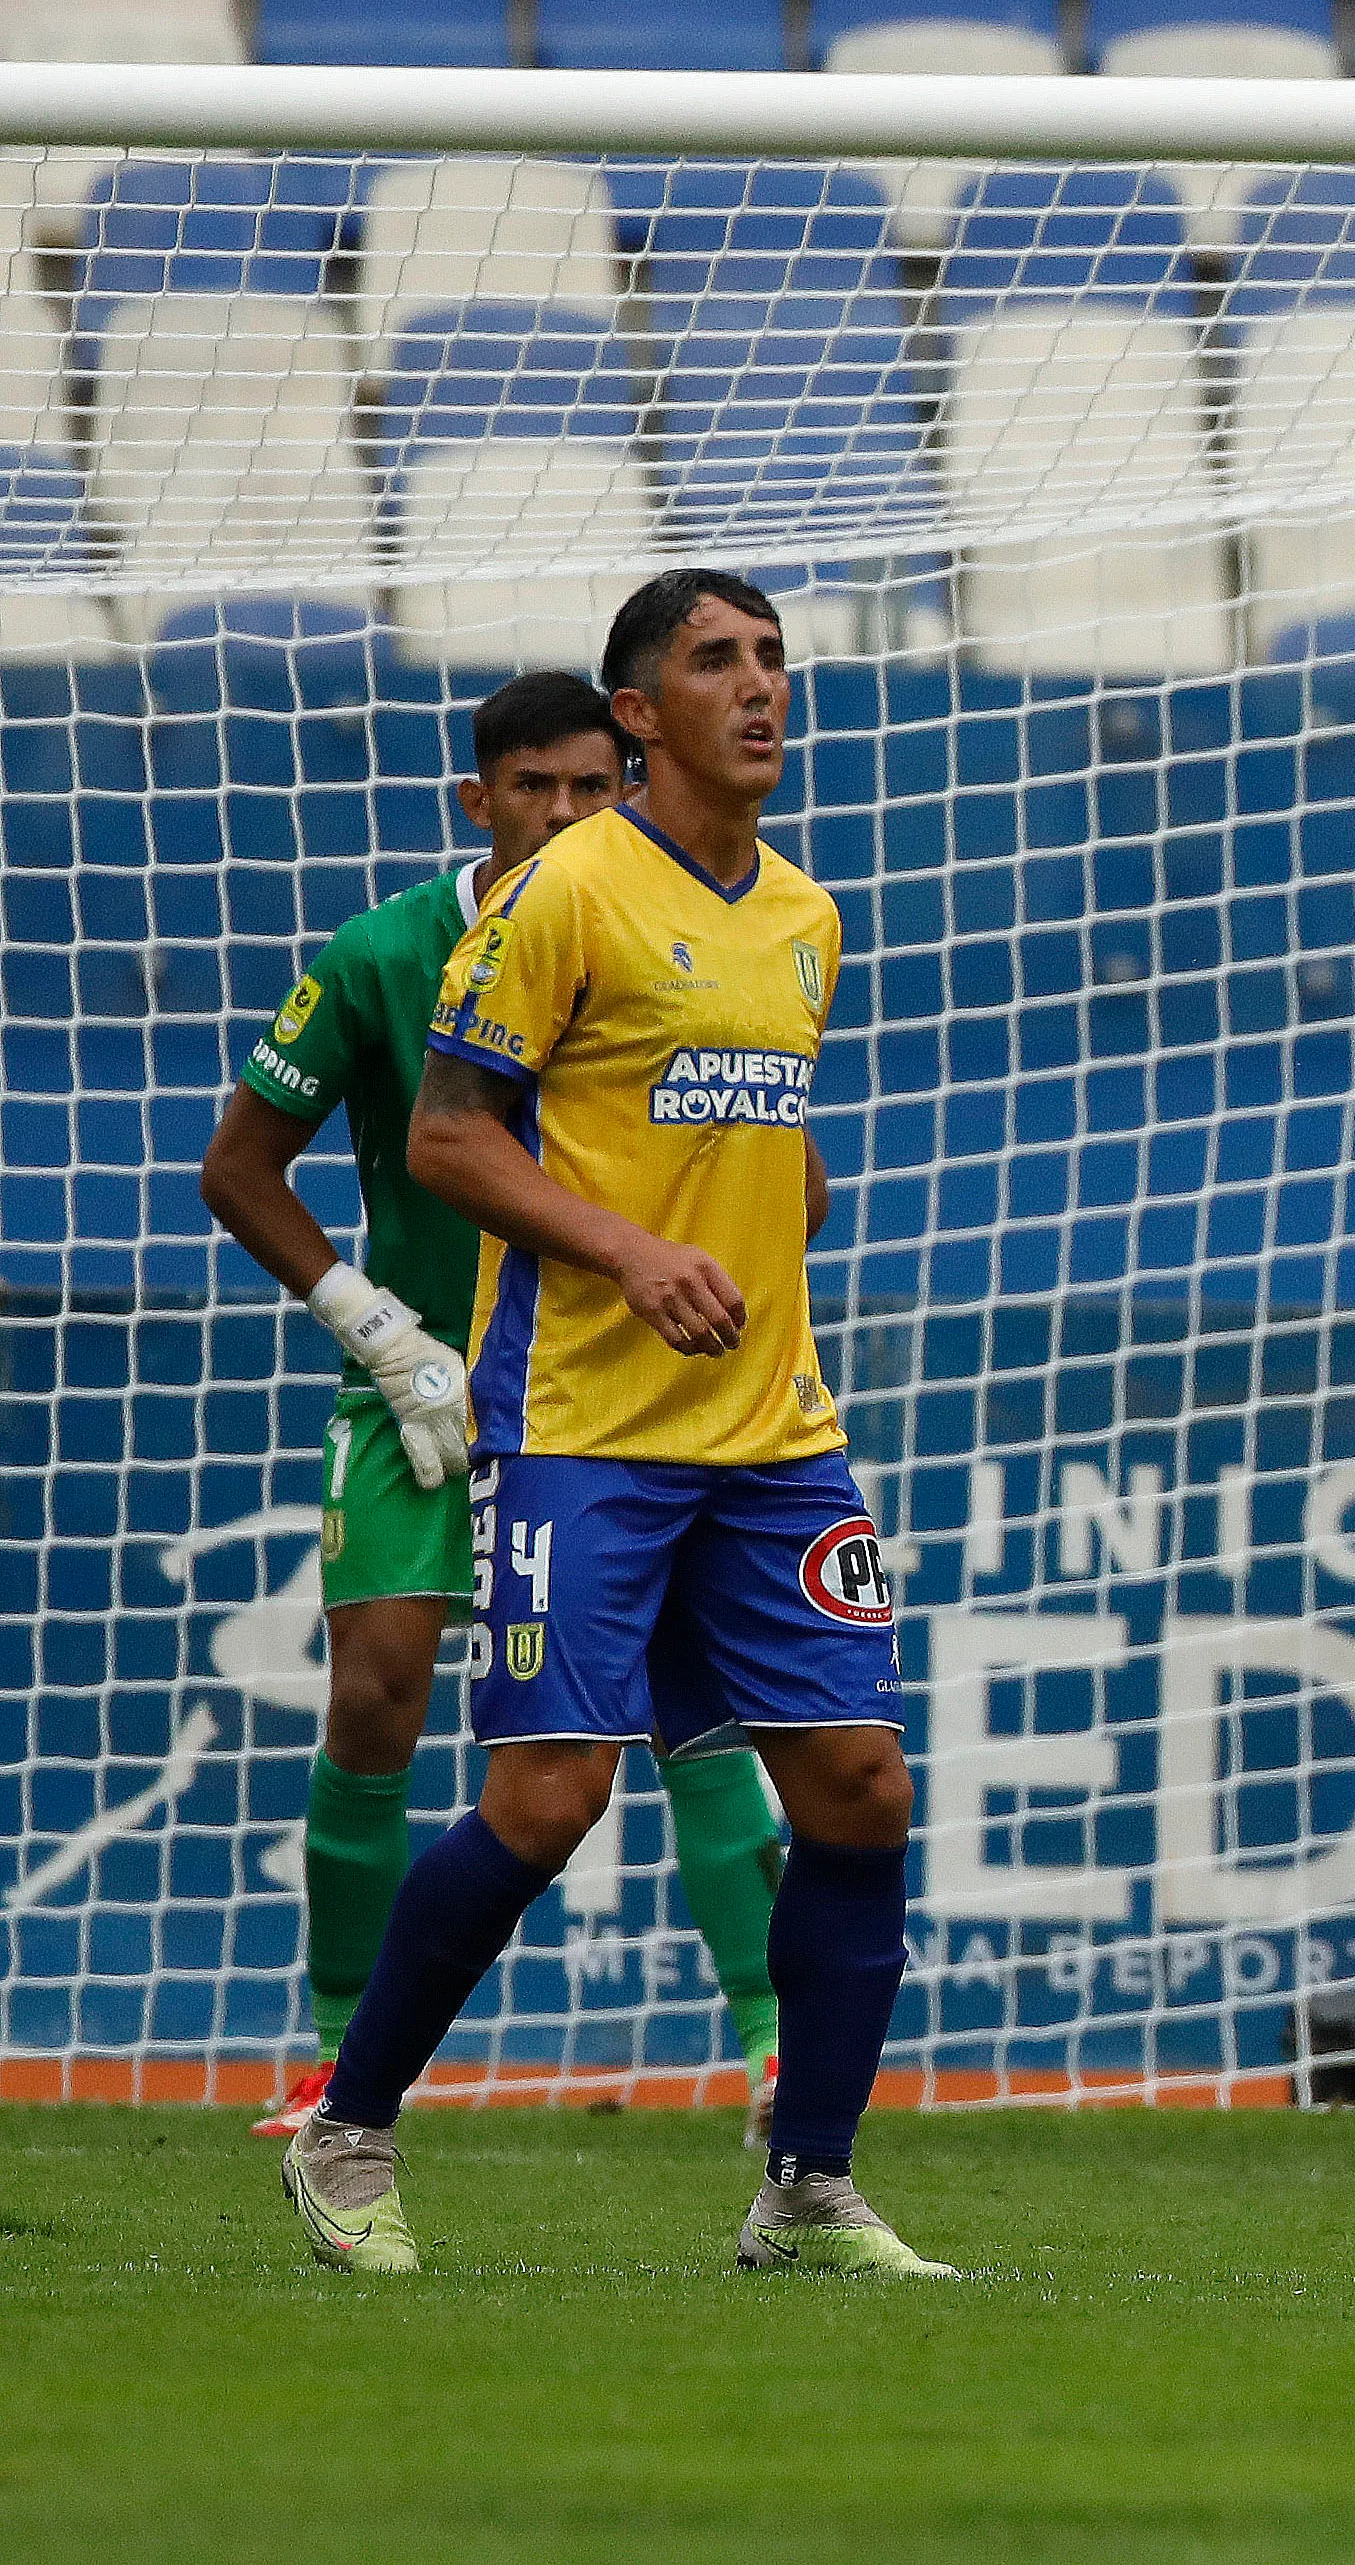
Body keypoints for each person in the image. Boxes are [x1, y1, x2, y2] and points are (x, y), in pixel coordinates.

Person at [279, 572, 945, 2281]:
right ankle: (349, 2131)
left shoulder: (804, 912)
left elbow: (771, 1145)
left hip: (776, 1432)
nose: (761, 688)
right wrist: (634, 1247)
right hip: (582, 1422)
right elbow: (447, 1137)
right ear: (638, 712)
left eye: (774, 659)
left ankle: (805, 2183)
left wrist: (738, 1215)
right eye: (717, 662)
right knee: (551, 1796)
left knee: (861, 1787)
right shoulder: (563, 891)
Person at [201, 672, 794, 2145]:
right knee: (380, 1692)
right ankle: (341, 2059)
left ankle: (778, 2045)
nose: (569, 815)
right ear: (480, 800)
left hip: (605, 1392)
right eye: (536, 788)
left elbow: (789, 1173)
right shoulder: (382, 953)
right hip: (419, 1382)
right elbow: (237, 1168)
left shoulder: (663, 942)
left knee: (695, 1713)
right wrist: (376, 1325)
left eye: (596, 789)